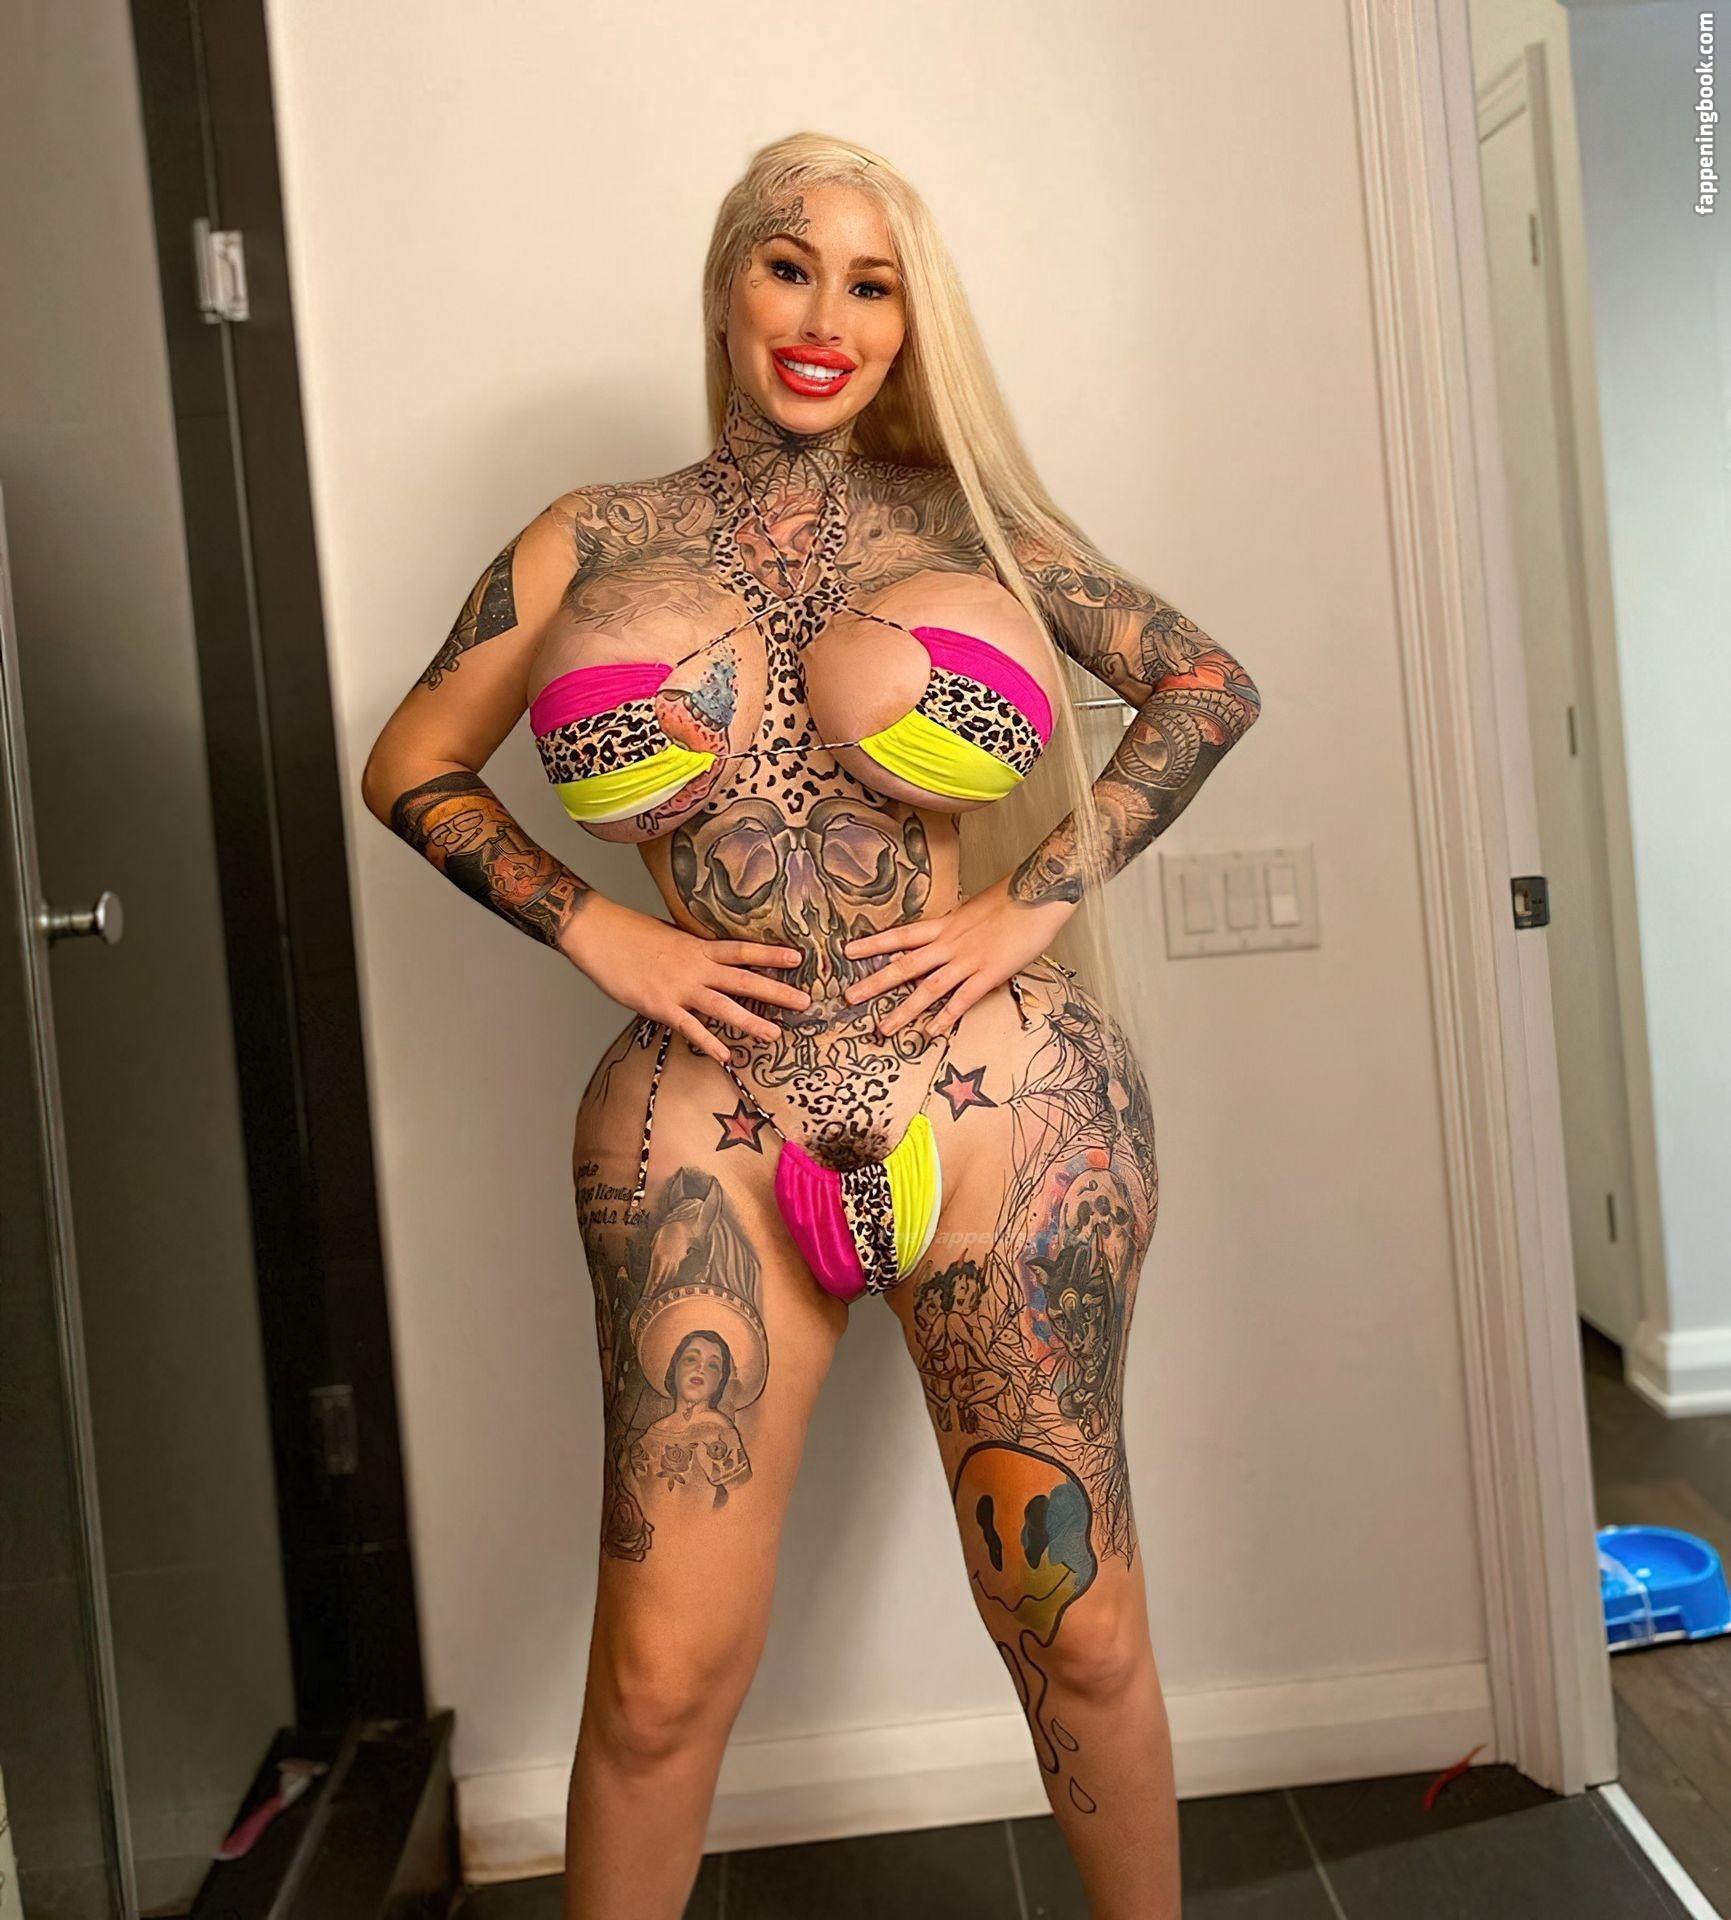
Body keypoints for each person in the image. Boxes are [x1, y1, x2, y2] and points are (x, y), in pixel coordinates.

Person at [362, 129, 1261, 1920]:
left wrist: (1025, 905)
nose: (825, 318)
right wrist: (598, 929)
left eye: (872, 284)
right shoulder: (593, 536)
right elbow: (410, 762)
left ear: (911, 322)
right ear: (727, 284)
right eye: (789, 267)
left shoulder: (969, 528)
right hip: (707, 1118)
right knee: (657, 1678)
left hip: (1000, 1104)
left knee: (1076, 1630)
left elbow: (1204, 684)